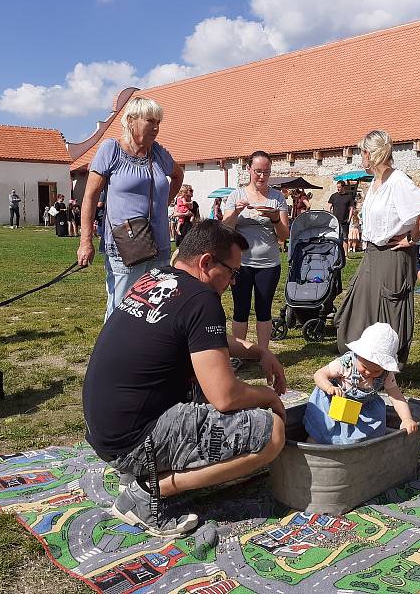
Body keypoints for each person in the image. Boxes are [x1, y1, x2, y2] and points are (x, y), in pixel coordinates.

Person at [82, 219, 286, 537]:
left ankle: (140, 471)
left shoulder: (157, 278)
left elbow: (205, 340)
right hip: (134, 439)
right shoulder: (203, 299)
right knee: (271, 431)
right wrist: (269, 396)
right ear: (206, 262)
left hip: (107, 430)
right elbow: (225, 395)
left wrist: (257, 352)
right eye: (233, 272)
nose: (233, 282)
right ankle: (149, 490)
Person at [77, 97, 185, 321]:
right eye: (150, 121)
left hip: (159, 243)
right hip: (126, 245)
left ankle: (146, 355)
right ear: (131, 120)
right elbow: (89, 197)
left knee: (155, 305)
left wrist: (164, 202)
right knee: (122, 307)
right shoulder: (111, 150)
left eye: (159, 122)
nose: (156, 127)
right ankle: (113, 354)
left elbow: (177, 175)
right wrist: (85, 242)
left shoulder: (158, 153)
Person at [335, 130, 420, 365]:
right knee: (359, 308)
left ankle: (386, 366)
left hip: (393, 256)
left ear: (369, 153)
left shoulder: (398, 180)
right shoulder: (375, 183)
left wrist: (411, 238)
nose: (361, 156)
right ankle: (363, 361)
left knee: (388, 311)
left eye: (362, 152)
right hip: (372, 254)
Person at [304, 323, 418, 445]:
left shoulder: (386, 374)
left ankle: (357, 451)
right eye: (364, 367)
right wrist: (328, 387)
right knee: (322, 430)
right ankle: (314, 444)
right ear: (358, 354)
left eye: (376, 371)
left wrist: (407, 419)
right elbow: (319, 374)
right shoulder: (346, 363)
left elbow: (397, 397)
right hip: (335, 403)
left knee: (363, 436)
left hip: (362, 409)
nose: (368, 372)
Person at [223, 151, 290, 352]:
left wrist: (275, 218)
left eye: (266, 172)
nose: (262, 176)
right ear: (249, 170)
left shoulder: (277, 198)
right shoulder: (236, 196)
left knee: (264, 310)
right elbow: (225, 229)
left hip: (268, 264)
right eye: (258, 171)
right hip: (240, 264)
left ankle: (262, 354)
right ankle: (239, 354)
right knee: (240, 309)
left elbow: (284, 235)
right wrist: (235, 211)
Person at [329, 180, 355, 255]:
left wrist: (349, 219)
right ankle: (335, 253)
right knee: (335, 237)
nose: (338, 189)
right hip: (335, 220)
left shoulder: (349, 197)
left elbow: (351, 208)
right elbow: (329, 207)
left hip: (344, 220)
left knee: (345, 238)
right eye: (337, 187)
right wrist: (330, 216)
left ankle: (345, 254)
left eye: (339, 187)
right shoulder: (334, 196)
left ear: (343, 187)